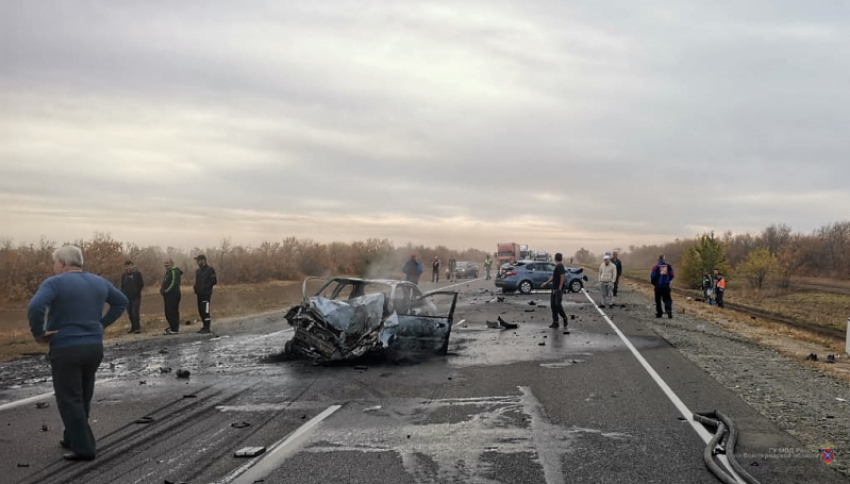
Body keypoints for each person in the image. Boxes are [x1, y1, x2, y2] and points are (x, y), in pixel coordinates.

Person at [27, 245, 128, 461]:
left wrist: (39, 333)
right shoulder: (98, 281)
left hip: (66, 347)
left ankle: (84, 448)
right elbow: (122, 301)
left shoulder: (55, 282)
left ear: (62, 263)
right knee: (83, 394)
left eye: (55, 263)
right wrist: (102, 324)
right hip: (93, 347)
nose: (54, 267)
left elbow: (35, 306)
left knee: (69, 399)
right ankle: (72, 437)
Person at [543, 252, 569, 330]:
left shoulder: (560, 266)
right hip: (554, 289)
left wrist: (560, 288)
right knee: (553, 306)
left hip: (558, 289)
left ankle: (565, 318)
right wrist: (546, 282)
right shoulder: (557, 267)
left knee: (557, 305)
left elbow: (562, 277)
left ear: (555, 258)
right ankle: (555, 322)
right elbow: (554, 277)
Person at [193, 254, 218, 334]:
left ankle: (207, 327)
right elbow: (197, 282)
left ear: (203, 260)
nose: (197, 262)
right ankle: (204, 326)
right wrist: (195, 288)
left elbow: (214, 281)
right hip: (199, 294)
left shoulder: (210, 269)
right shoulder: (198, 271)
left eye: (198, 260)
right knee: (200, 310)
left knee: (205, 310)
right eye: (197, 261)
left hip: (206, 294)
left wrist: (206, 287)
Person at [120, 260, 145, 334]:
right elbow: (122, 286)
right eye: (127, 266)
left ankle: (137, 328)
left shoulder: (137, 274)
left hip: (136, 297)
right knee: (130, 313)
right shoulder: (124, 276)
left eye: (130, 266)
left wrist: (137, 291)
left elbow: (141, 284)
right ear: (125, 267)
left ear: (133, 266)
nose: (129, 268)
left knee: (135, 312)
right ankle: (133, 327)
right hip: (127, 297)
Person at [161, 258, 183, 334]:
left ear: (172, 263)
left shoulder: (174, 271)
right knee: (168, 312)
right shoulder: (168, 272)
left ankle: (174, 329)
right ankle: (172, 326)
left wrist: (166, 291)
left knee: (172, 311)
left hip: (173, 295)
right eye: (165, 263)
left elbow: (173, 283)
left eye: (168, 263)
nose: (166, 264)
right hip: (168, 296)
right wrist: (162, 290)